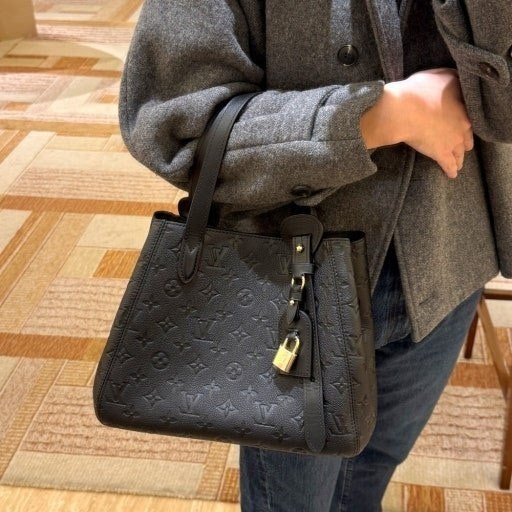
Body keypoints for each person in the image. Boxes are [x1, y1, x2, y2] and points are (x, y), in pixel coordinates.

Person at [117, 1, 512, 510]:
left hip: (449, 260)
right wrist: (375, 118)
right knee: (291, 500)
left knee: (370, 475)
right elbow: (176, 124)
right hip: (291, 281)